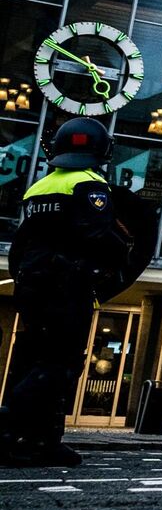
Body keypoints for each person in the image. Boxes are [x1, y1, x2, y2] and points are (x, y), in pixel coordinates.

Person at [0, 117, 152, 466]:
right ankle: (8, 427)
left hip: (33, 283)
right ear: (102, 151)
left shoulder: (39, 187)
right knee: (62, 363)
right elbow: (96, 234)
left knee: (34, 359)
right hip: (67, 285)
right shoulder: (89, 184)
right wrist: (119, 259)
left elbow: (23, 242)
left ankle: (43, 441)